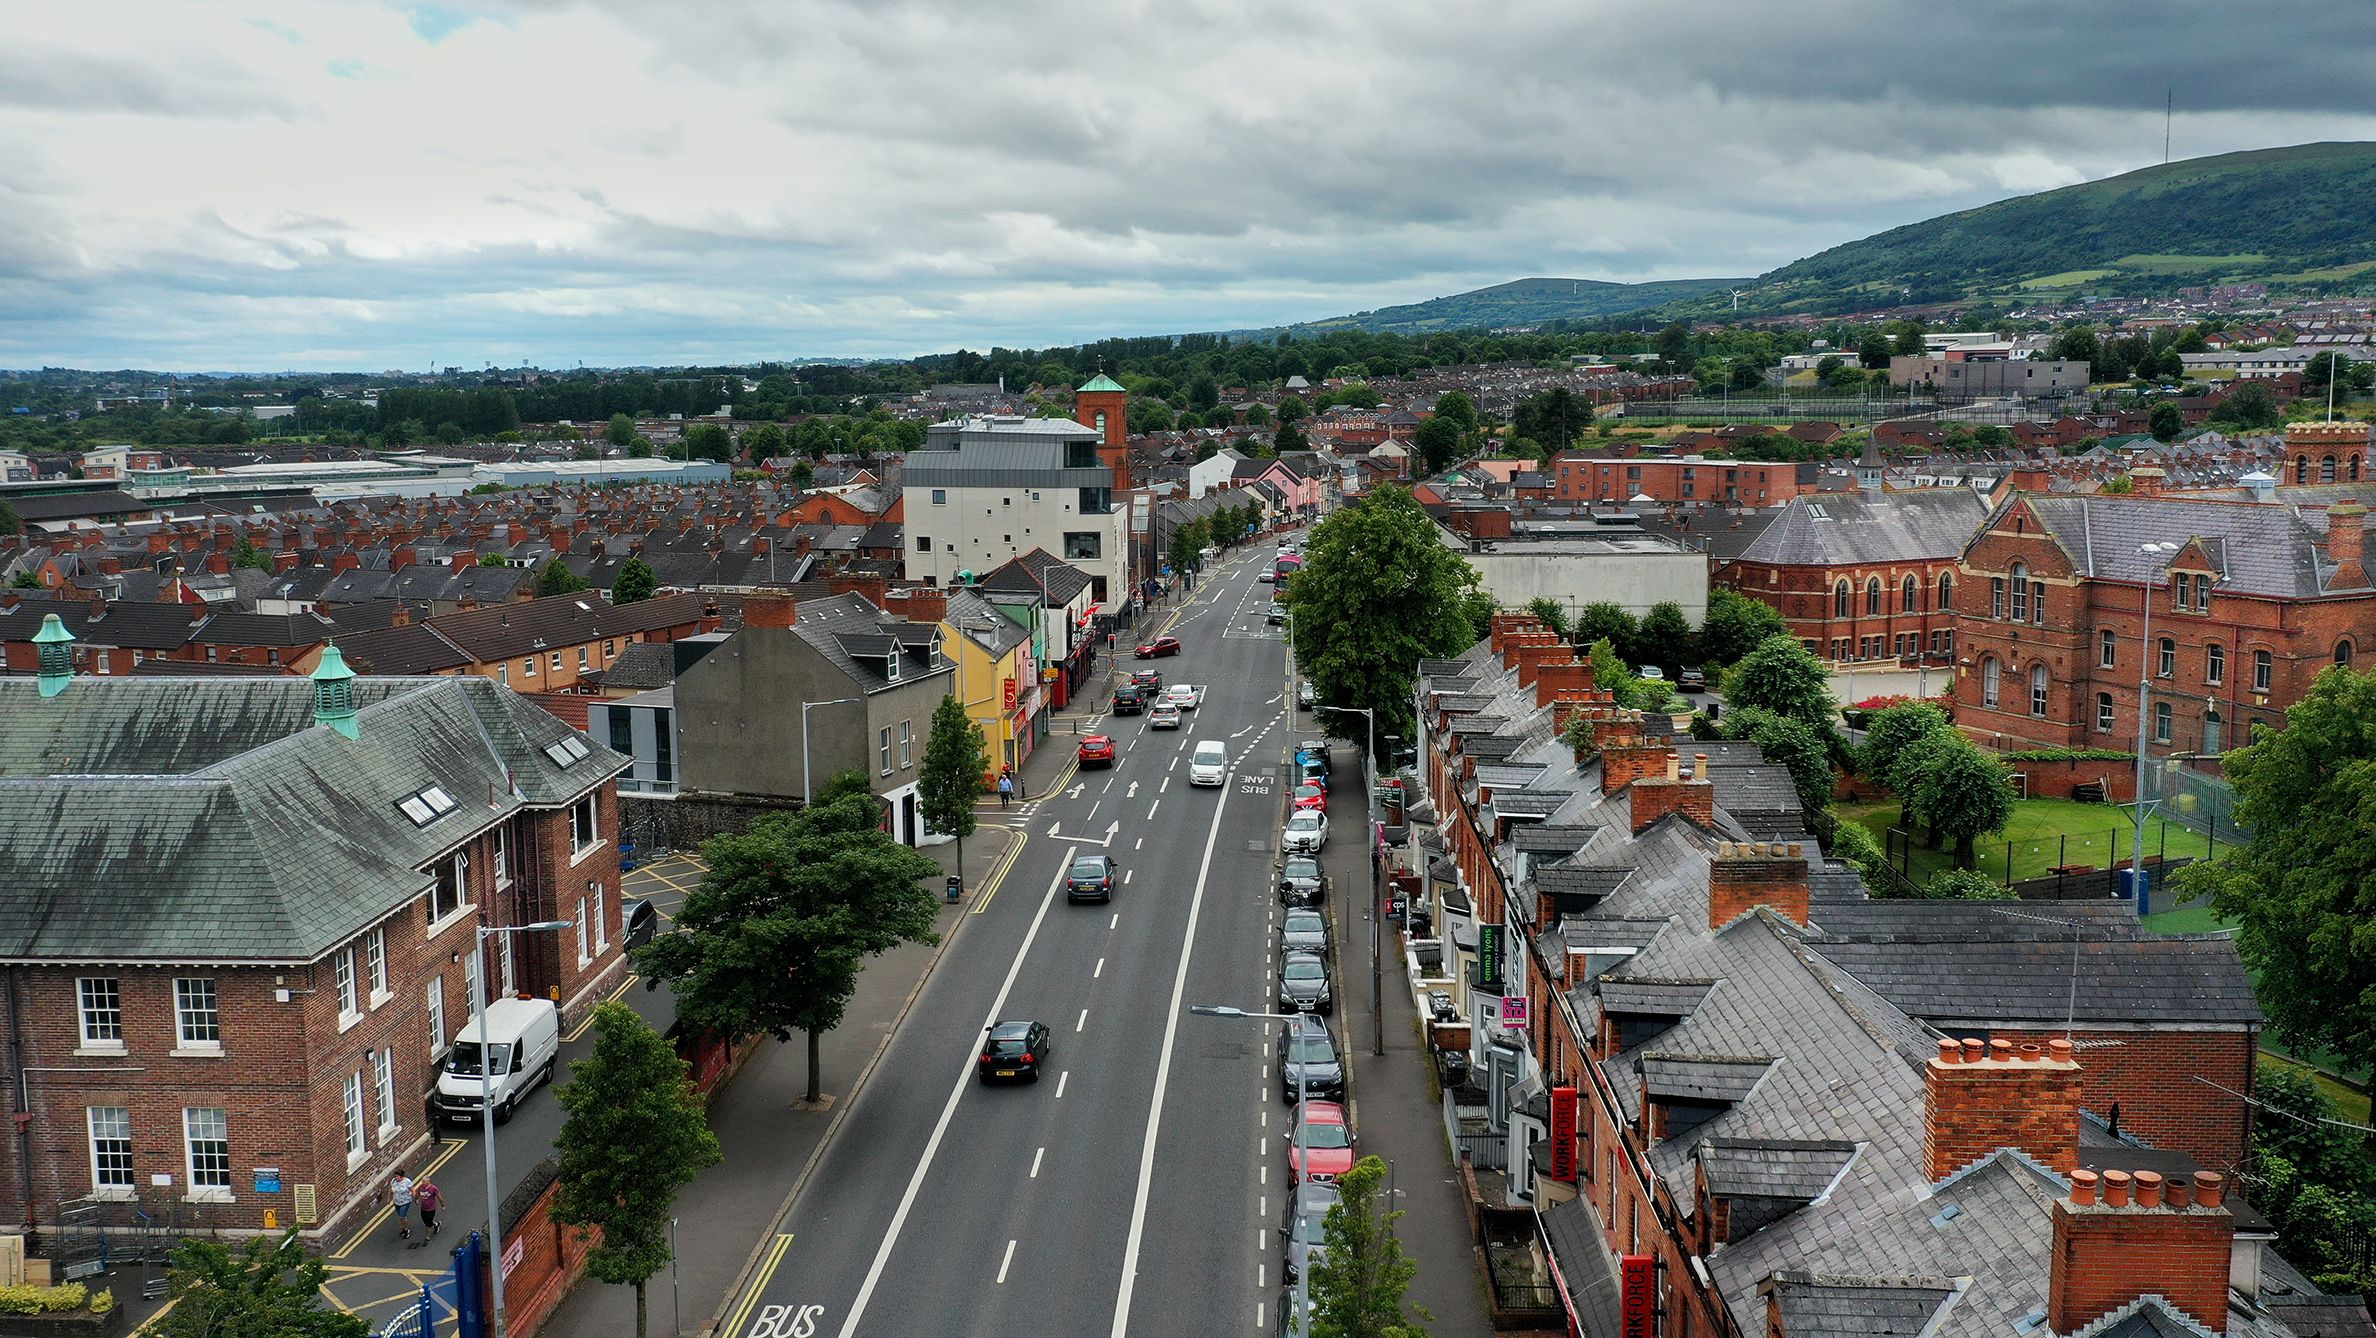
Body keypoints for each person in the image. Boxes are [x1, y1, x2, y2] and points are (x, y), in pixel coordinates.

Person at [389, 1169, 415, 1240]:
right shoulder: (393, 1181)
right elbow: (390, 1189)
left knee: (402, 1216)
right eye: (395, 1176)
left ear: (402, 1176)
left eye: (397, 1176)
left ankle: (406, 1230)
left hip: (405, 1202)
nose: (396, 1177)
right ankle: (404, 1228)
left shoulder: (407, 1182)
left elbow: (412, 1189)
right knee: (401, 1217)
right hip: (397, 1202)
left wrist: (415, 1198)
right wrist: (389, 1199)